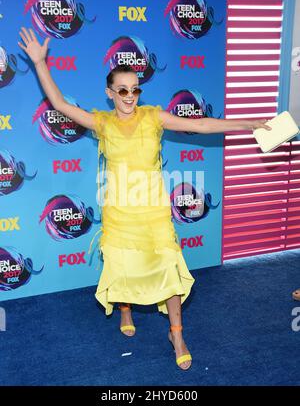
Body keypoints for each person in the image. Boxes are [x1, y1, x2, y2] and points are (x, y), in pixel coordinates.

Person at [18, 26, 272, 371]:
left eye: (134, 88)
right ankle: (125, 307)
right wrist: (39, 63)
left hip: (153, 212)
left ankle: (177, 334)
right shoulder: (101, 122)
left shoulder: (153, 117)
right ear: (110, 92)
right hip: (120, 211)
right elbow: (60, 103)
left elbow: (200, 125)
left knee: (169, 266)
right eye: (122, 89)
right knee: (123, 267)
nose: (129, 95)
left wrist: (249, 124)